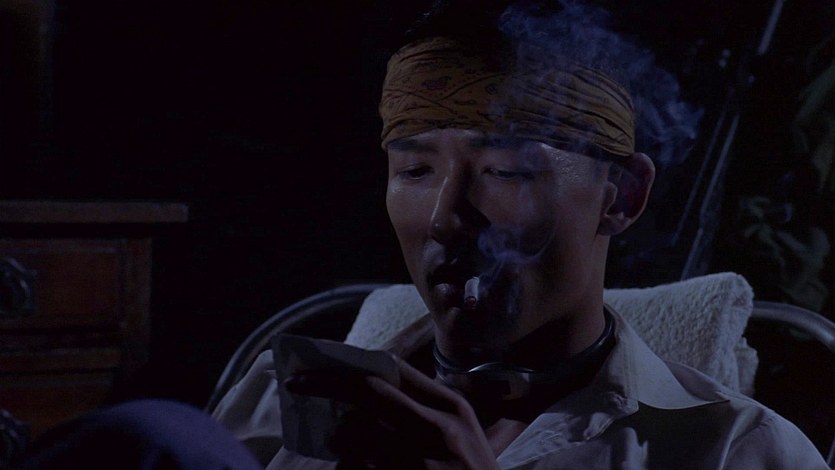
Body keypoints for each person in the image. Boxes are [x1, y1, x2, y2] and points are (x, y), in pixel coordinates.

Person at [213, 0, 830, 468]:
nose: (445, 218)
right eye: (415, 171)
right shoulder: (284, 401)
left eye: (506, 171)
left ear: (621, 196)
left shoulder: (733, 449)